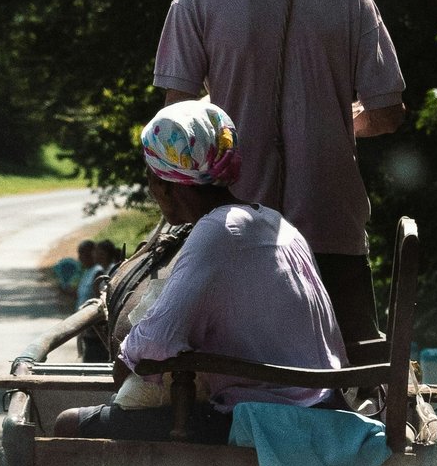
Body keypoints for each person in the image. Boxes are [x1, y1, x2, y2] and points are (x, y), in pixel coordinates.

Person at [154, 0, 407, 345]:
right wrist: (338, 120)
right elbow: (387, 113)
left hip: (232, 236)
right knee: (357, 366)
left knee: (224, 368)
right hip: (333, 232)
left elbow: (179, 131)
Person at [53, 100, 346, 445]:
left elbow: (157, 340)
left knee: (68, 423)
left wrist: (124, 363)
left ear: (162, 183)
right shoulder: (273, 221)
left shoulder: (215, 232)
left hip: (267, 418)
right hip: (324, 403)